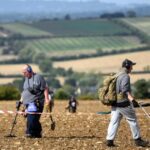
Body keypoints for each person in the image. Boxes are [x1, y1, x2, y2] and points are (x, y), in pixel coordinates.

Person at [106, 59, 149, 147]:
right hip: (123, 102)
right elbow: (125, 90)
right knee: (133, 120)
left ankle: (109, 141)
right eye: (131, 66)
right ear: (128, 66)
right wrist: (132, 100)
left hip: (114, 102)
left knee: (114, 122)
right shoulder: (125, 76)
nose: (132, 68)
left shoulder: (117, 74)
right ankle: (138, 140)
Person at [20, 64, 51, 138]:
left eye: (25, 72)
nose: (24, 74)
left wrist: (47, 99)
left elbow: (45, 88)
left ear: (29, 70)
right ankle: (37, 133)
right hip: (27, 103)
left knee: (32, 117)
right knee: (32, 118)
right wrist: (21, 101)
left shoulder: (38, 77)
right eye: (23, 73)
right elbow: (25, 91)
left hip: (36, 102)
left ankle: (30, 132)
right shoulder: (26, 79)